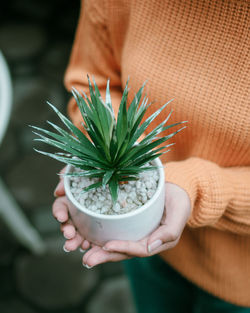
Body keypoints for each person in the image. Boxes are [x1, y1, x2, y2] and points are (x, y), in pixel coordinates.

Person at [52, 0, 250, 312]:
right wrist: (105, 148)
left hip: (240, 284)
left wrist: (195, 188)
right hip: (143, 244)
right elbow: (92, 82)